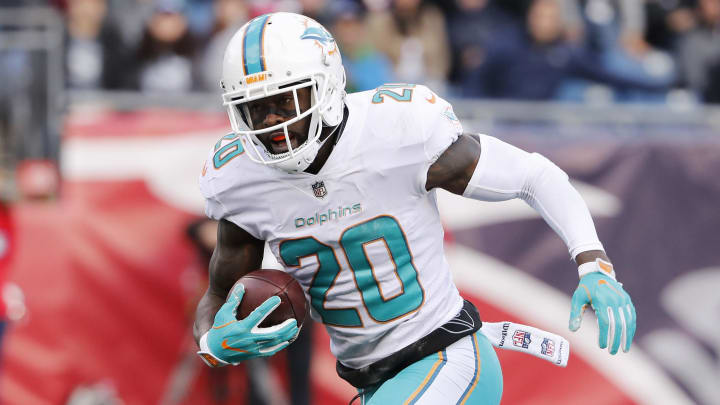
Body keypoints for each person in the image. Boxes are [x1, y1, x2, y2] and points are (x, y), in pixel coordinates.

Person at [192, 12, 637, 404]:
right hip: (375, 385)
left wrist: (592, 261)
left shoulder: (397, 132)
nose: (273, 122)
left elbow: (533, 176)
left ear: (326, 88)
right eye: (255, 109)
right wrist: (214, 341)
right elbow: (218, 292)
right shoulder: (241, 179)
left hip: (447, 356)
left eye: (284, 101)